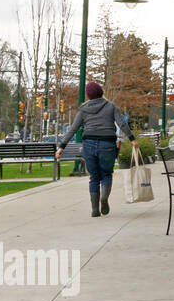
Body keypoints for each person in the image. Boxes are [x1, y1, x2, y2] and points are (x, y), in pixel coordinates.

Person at [55, 81, 137, 218]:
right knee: (106, 174)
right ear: (101, 92)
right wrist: (132, 139)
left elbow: (73, 129)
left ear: (88, 95)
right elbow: (121, 124)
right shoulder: (111, 106)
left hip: (89, 144)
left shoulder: (83, 109)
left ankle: (94, 209)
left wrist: (61, 147)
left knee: (94, 177)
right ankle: (104, 198)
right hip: (107, 144)